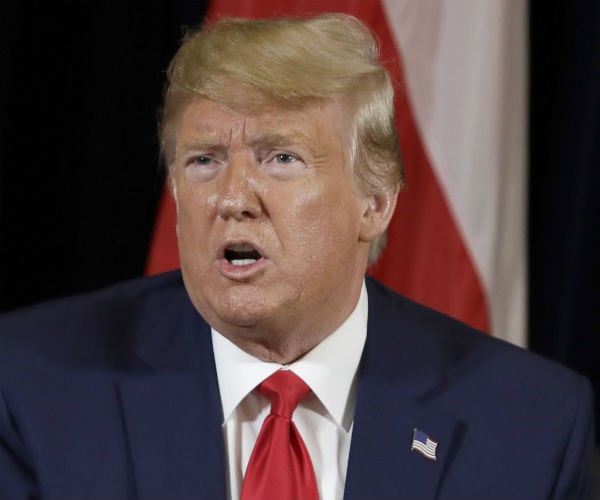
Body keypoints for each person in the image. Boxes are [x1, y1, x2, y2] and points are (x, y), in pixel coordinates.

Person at [0, 13, 594, 500]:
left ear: (376, 202)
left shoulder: (532, 426)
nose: (232, 198)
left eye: (280, 158)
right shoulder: (34, 386)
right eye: (203, 160)